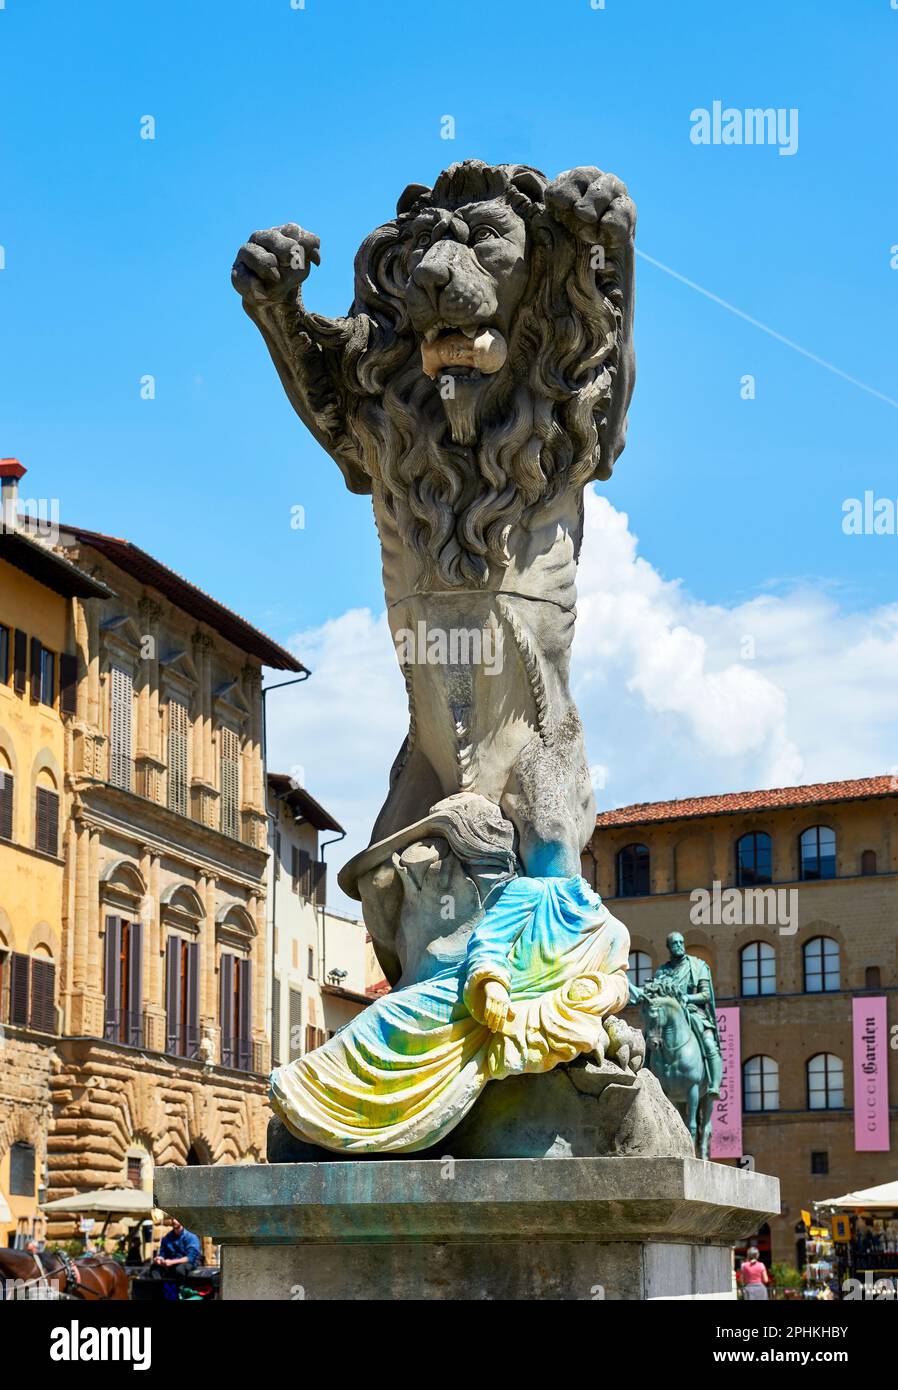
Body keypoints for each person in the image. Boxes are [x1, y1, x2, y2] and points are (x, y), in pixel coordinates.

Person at [630, 932, 722, 1096]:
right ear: (669, 947)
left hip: (693, 1013)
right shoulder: (662, 972)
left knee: (709, 1042)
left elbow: (706, 995)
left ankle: (714, 1084)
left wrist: (687, 997)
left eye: (681, 942)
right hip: (666, 1017)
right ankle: (644, 1074)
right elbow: (654, 994)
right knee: (648, 1039)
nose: (679, 945)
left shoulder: (697, 966)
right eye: (674, 943)